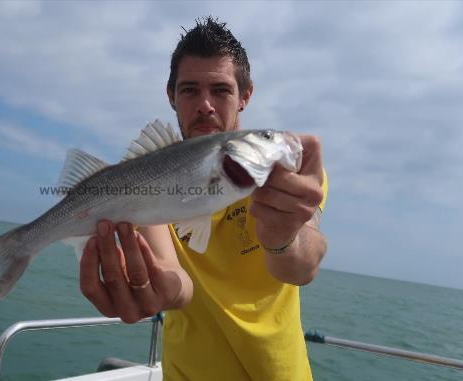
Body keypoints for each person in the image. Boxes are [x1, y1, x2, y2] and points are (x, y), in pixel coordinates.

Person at [80, 16, 328, 380]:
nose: (205, 105)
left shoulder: (287, 173)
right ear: (171, 96)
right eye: (190, 90)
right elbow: (177, 281)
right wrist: (159, 287)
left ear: (245, 96)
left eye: (221, 90)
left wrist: (283, 239)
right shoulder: (150, 181)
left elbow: (302, 265)